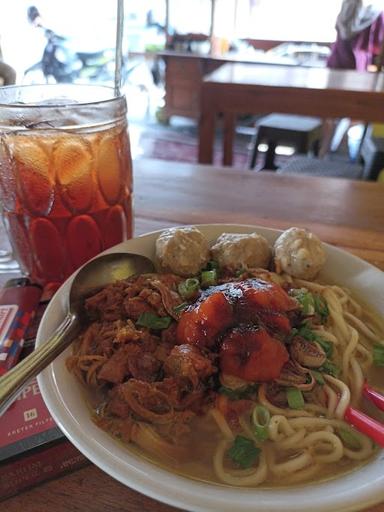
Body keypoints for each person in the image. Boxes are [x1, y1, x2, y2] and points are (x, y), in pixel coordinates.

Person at [327, 0, 384, 71]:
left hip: (337, 60)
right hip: (359, 63)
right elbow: (378, 43)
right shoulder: (377, 13)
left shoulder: (346, 6)